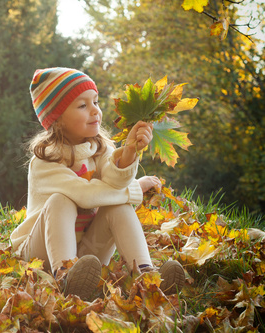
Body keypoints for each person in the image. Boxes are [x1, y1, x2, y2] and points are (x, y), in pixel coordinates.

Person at [10, 67, 185, 300]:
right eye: (83, 106)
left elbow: (114, 180)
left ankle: (146, 276)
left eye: (96, 102)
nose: (95, 111)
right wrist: (134, 189)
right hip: (40, 254)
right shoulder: (44, 161)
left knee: (118, 206)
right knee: (60, 201)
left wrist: (130, 151)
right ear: (57, 119)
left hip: (88, 259)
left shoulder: (100, 148)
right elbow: (86, 196)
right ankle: (65, 276)